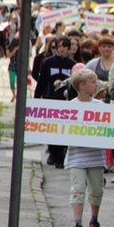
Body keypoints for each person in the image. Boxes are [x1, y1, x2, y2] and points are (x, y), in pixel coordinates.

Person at [63, 68, 107, 227]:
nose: (96, 85)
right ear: (82, 86)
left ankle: (94, 219)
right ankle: (77, 223)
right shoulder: (70, 108)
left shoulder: (100, 107)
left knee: (96, 189)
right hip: (76, 157)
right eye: (93, 82)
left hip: (95, 156)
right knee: (77, 189)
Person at [37, 36, 76, 168]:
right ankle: (53, 152)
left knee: (62, 130)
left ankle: (60, 156)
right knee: (51, 129)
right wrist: (37, 98)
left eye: (64, 46)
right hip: (50, 98)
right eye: (59, 46)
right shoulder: (48, 62)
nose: (62, 49)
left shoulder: (72, 64)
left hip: (64, 100)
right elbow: (42, 81)